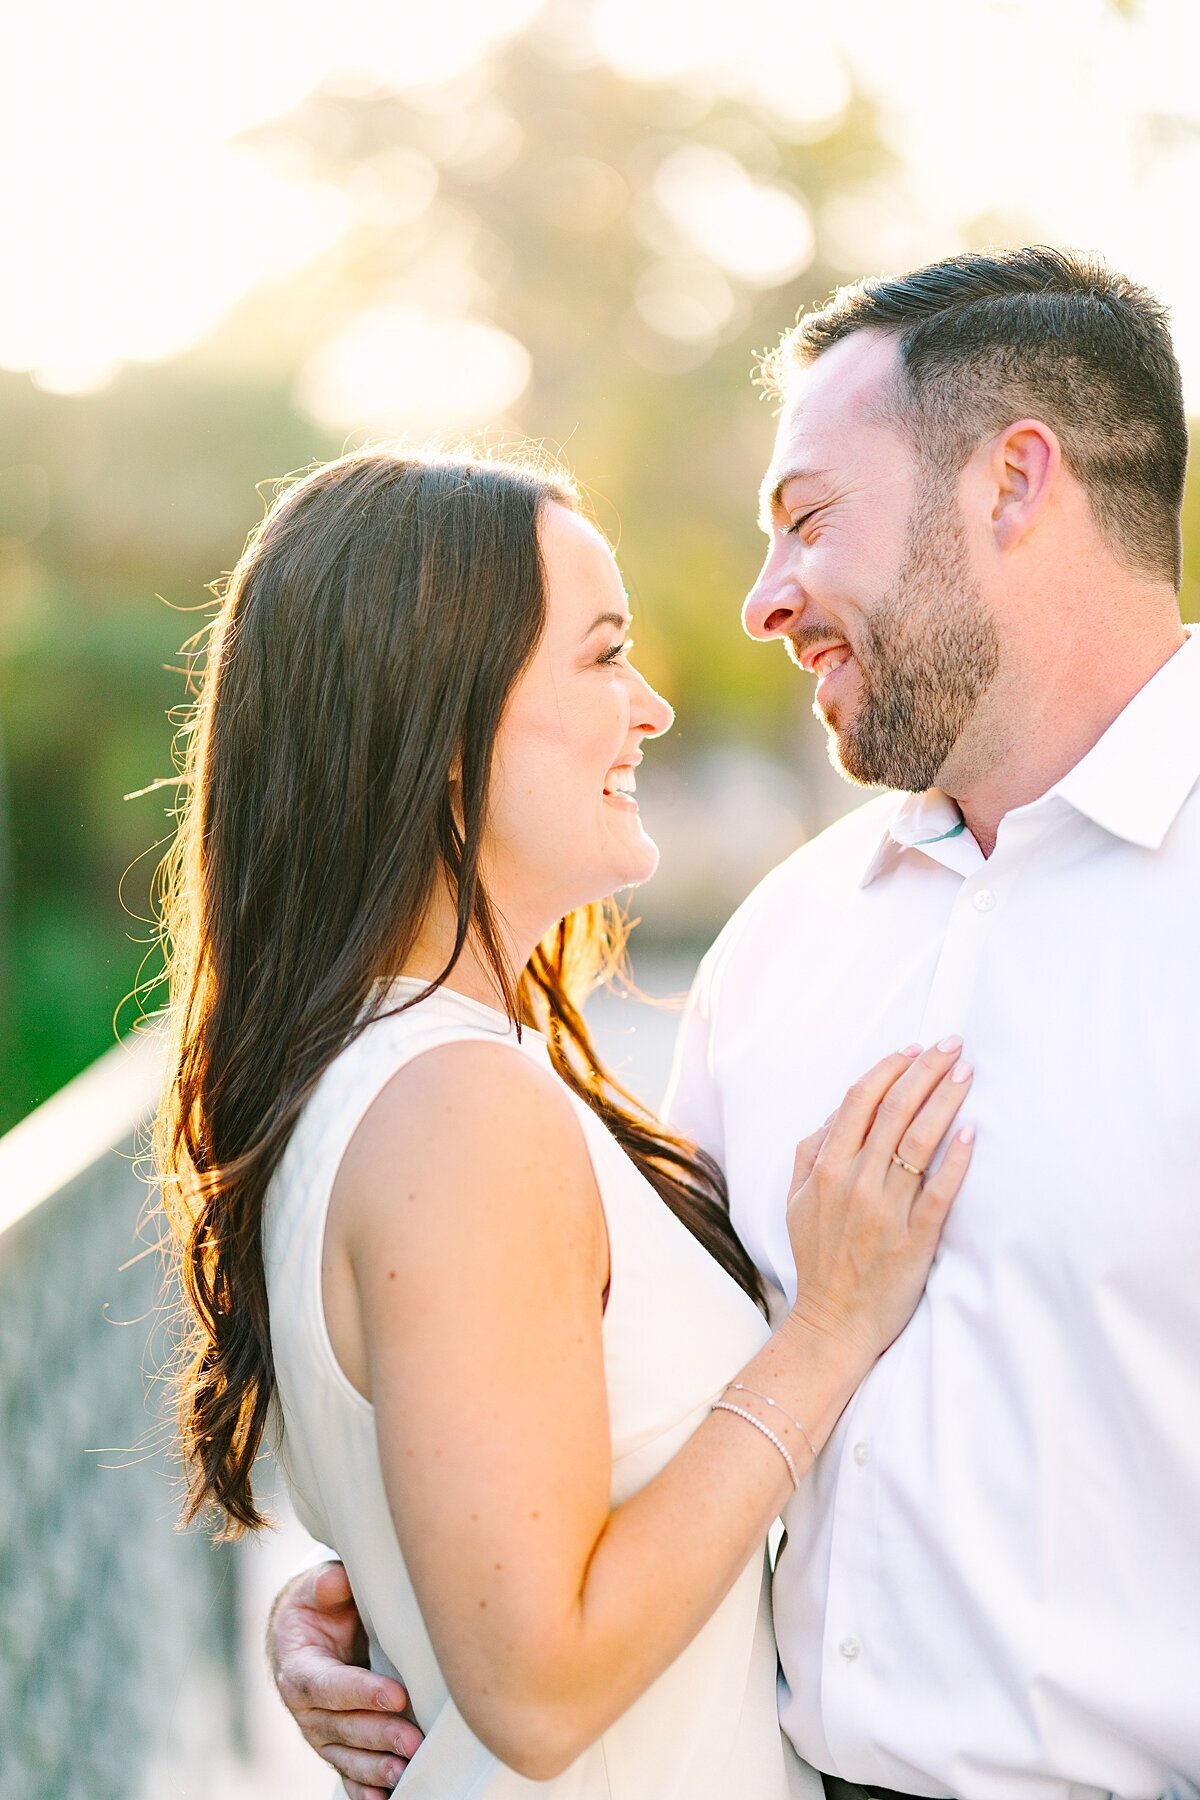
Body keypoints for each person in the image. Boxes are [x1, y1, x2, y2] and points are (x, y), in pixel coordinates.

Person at [270, 247, 1200, 1800]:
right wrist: (381, 1599)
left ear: (1016, 485)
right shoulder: (783, 943)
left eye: (809, 520)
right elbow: (610, 1393)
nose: (764, 600)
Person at [156, 447, 979, 1799]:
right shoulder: (457, 1109)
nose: (649, 708)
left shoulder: (381, 1073)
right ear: (439, 721)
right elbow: (539, 1690)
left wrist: (387, 1586)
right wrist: (828, 1331)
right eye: (602, 657)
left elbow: (508, 1537)